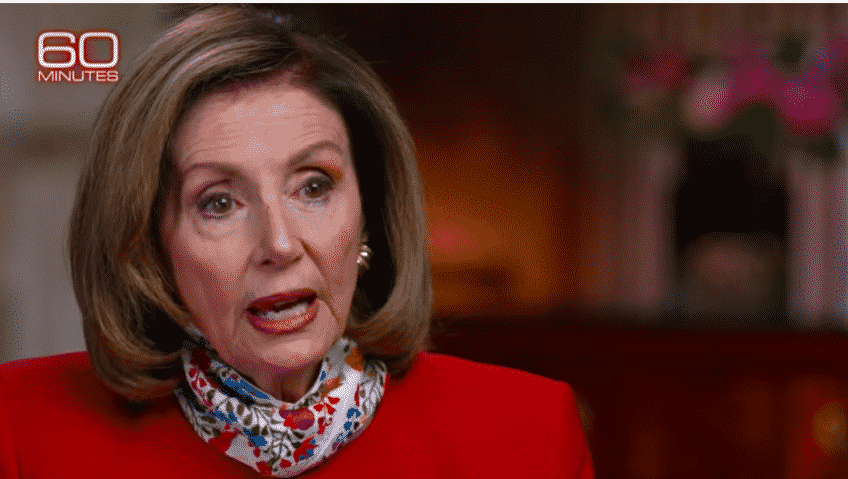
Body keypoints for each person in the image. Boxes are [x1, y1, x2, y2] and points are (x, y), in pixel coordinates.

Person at [0, 5, 592, 478]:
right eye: (219, 202)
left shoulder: (528, 432)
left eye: (313, 186)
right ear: (152, 247)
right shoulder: (22, 430)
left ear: (369, 214)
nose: (280, 244)